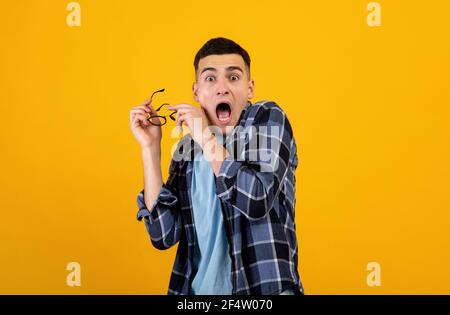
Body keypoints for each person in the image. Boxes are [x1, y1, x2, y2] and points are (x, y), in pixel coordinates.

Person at [129, 37, 304, 295]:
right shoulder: (185, 151)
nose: (222, 88)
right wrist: (151, 148)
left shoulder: (266, 118)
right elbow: (162, 234)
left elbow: (257, 199)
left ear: (250, 88)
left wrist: (205, 136)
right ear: (196, 91)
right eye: (210, 79)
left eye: (233, 78)